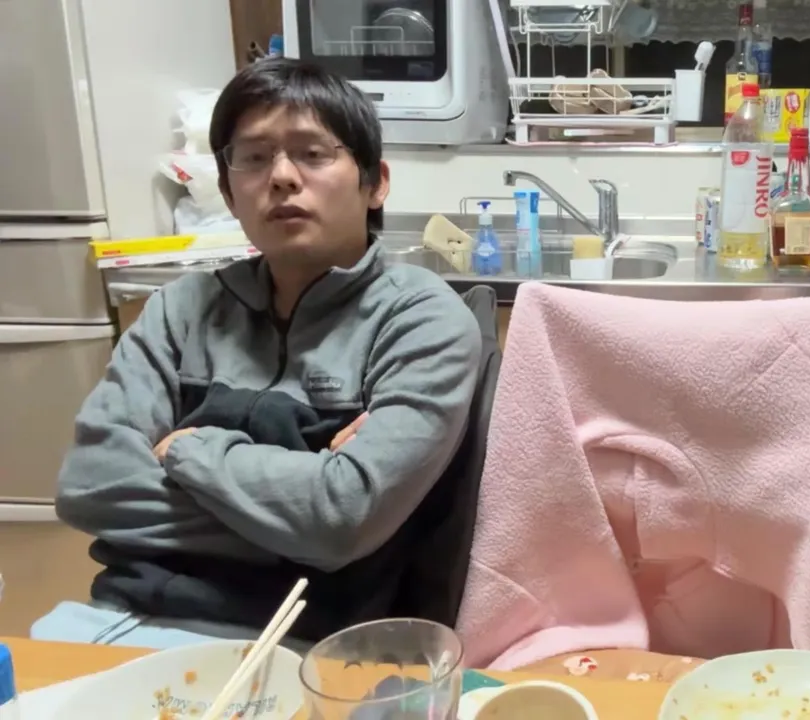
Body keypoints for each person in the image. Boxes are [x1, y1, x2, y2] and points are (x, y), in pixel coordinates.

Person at [34, 58, 482, 648]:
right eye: (253, 157)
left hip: (309, 647)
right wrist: (292, 515)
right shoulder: (180, 309)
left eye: (313, 153)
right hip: (121, 616)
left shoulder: (420, 319)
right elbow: (89, 486)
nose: (282, 177)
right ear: (227, 190)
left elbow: (341, 518)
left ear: (375, 182)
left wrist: (188, 450)